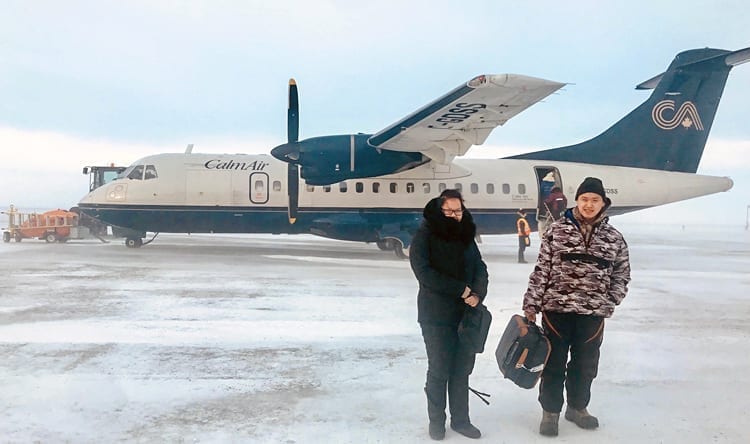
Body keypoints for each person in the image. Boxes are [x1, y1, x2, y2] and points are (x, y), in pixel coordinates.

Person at [522, 177, 631, 437]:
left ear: (604, 203)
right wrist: (531, 304)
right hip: (555, 312)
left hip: (592, 314)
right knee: (553, 364)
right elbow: (542, 270)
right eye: (584, 199)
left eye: (595, 200)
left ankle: (577, 408)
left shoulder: (614, 238)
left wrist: (610, 301)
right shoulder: (557, 230)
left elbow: (622, 274)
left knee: (585, 365)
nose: (589, 205)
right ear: (577, 201)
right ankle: (550, 413)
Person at [410, 189, 489, 440]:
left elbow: (480, 267)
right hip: (436, 315)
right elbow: (424, 274)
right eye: (449, 211)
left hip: (466, 313)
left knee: (461, 369)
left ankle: (461, 420)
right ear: (439, 210)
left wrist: (477, 293)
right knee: (440, 368)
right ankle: (437, 421)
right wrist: (461, 290)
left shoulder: (466, 236)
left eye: (459, 210)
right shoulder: (425, 236)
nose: (455, 216)